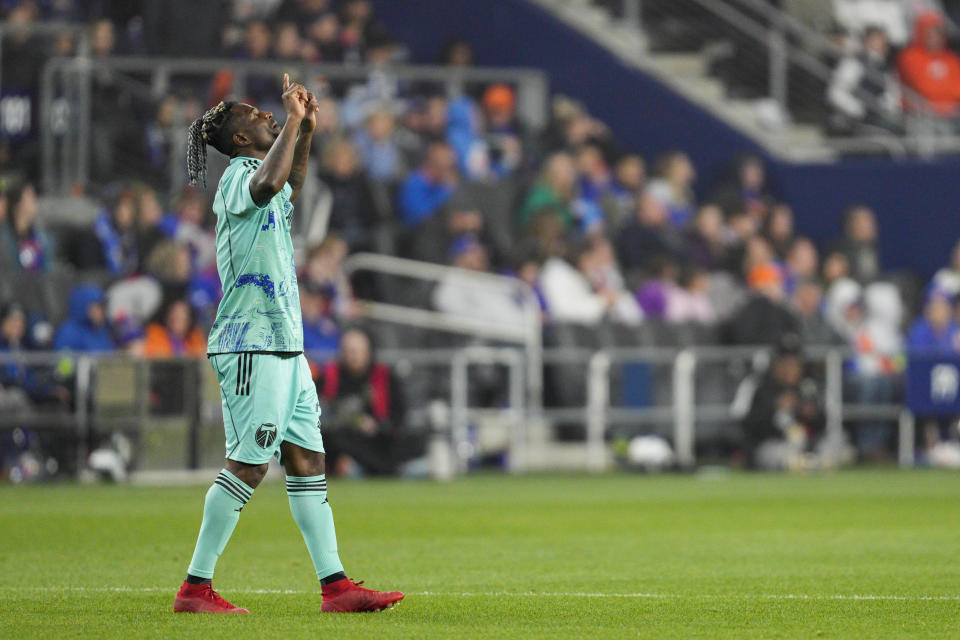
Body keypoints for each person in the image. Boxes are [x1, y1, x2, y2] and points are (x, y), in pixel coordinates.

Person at [177, 74, 402, 615]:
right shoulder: (238, 178)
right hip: (250, 344)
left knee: (306, 461)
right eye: (254, 115)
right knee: (250, 466)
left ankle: (336, 587)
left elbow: (288, 184)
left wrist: (303, 134)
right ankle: (195, 588)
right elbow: (268, 186)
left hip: (285, 343)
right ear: (237, 140)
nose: (266, 115)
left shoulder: (267, 175)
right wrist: (295, 124)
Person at [316, 327, 421, 476]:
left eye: (357, 351)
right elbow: (316, 415)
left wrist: (378, 425)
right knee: (336, 439)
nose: (353, 356)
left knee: (414, 440)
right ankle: (382, 469)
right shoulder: (329, 376)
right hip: (343, 439)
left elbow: (399, 415)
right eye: (349, 351)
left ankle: (377, 467)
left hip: (378, 440)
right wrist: (353, 422)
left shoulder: (385, 376)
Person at [828, 26, 901, 133]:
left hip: (877, 117)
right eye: (876, 39)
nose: (881, 43)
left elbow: (892, 94)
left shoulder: (886, 67)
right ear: (867, 41)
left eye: (882, 40)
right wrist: (857, 110)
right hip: (853, 119)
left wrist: (886, 107)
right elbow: (835, 93)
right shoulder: (853, 62)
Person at [897, 12, 960, 118]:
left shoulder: (950, 58)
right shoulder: (909, 57)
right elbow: (923, 87)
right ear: (921, 33)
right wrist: (944, 102)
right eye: (929, 33)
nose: (934, 38)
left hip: (953, 112)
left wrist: (949, 103)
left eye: (937, 33)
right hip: (920, 114)